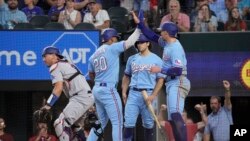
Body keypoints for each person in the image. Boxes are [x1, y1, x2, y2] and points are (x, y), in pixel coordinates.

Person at [134, 10, 191, 141]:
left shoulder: (175, 47)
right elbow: (151, 36)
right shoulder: (167, 42)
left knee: (176, 116)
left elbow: (177, 70)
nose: (160, 32)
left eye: (162, 31)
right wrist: (141, 24)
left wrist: (160, 69)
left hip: (178, 81)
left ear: (167, 33)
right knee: (173, 119)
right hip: (172, 83)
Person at [87, 11, 141, 141]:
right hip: (108, 89)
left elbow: (91, 74)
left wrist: (100, 81)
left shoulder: (93, 55)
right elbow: (129, 42)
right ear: (110, 39)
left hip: (97, 89)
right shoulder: (112, 48)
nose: (117, 39)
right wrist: (140, 27)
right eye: (115, 38)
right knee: (117, 122)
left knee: (101, 122)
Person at [41, 46, 94, 141]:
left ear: (54, 55)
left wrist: (48, 105)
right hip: (86, 97)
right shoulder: (66, 63)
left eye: (45, 56)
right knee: (75, 128)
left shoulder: (55, 66)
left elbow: (58, 88)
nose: (43, 59)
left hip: (80, 97)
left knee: (59, 124)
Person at [122, 34, 165, 141]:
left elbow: (160, 80)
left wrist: (154, 95)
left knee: (149, 124)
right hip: (133, 93)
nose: (139, 45)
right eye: (137, 43)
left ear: (148, 43)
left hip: (149, 93)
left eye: (141, 42)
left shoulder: (157, 59)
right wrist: (123, 92)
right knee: (128, 123)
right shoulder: (132, 59)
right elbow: (126, 76)